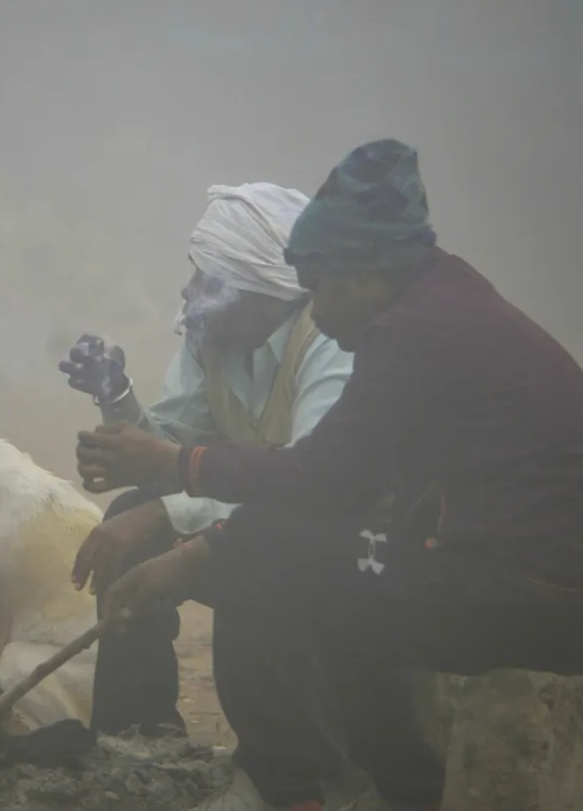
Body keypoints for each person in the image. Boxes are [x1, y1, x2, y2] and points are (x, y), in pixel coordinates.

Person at [74, 139, 583, 811]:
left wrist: (186, 495)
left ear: (362, 275)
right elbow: (334, 479)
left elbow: (327, 480)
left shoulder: (412, 331)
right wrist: (168, 469)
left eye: (319, 290)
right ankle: (395, 785)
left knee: (263, 548)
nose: (317, 306)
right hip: (481, 564)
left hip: (530, 592)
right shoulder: (436, 299)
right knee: (298, 551)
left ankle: (286, 789)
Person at [59, 183, 354, 739]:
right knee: (132, 509)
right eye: (196, 272)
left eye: (209, 279)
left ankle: (283, 771)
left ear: (265, 293)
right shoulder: (214, 339)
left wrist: (164, 515)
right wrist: (115, 395)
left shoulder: (329, 343)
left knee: (230, 551)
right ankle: (138, 733)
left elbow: (311, 479)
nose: (190, 291)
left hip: (334, 536)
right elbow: (170, 452)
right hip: (260, 512)